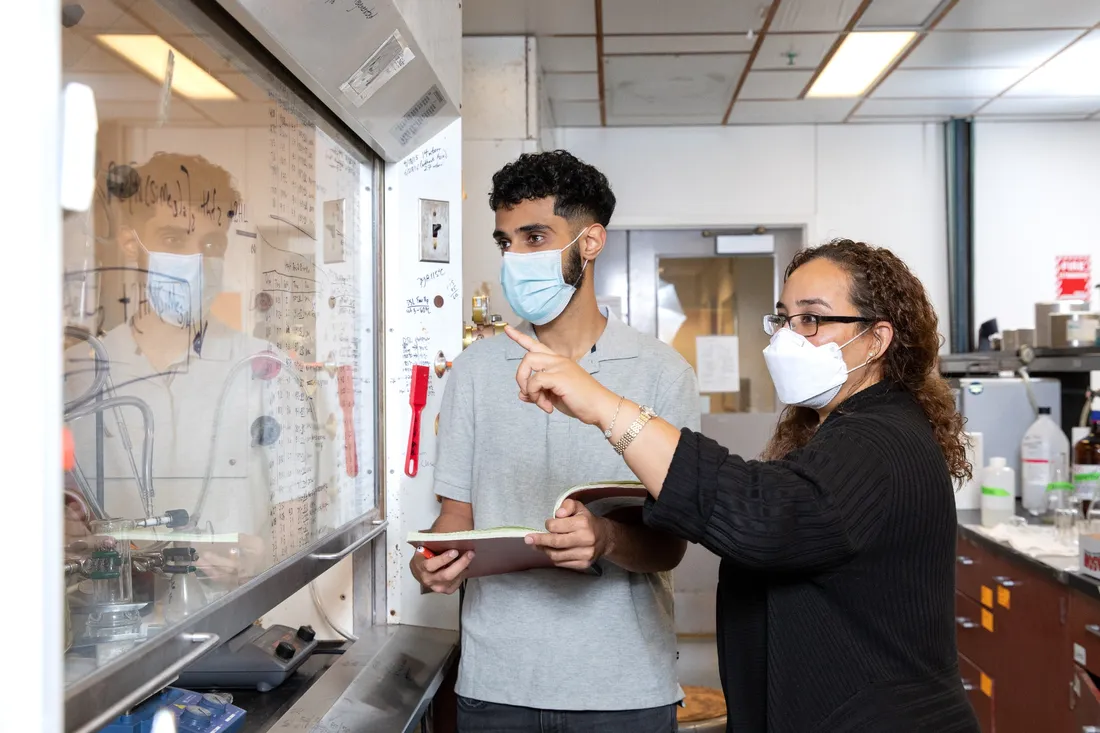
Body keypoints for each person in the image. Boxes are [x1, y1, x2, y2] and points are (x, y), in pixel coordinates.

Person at [505, 239, 981, 733]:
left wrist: (605, 408)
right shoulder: (843, 430)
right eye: (783, 319)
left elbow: (762, 515)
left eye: (812, 320)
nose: (788, 338)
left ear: (877, 339)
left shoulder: (879, 439)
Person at [410, 150, 701, 732]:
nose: (515, 258)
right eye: (505, 241)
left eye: (535, 237)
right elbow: (455, 517)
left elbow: (671, 546)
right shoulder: (474, 371)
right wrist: (435, 562)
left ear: (589, 242)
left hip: (624, 688)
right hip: (497, 685)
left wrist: (606, 539)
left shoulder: (661, 373)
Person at [63, 153, 322, 583]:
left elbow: (298, 517)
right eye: (172, 238)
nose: (195, 261)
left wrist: (264, 558)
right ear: (131, 245)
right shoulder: (81, 372)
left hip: (230, 619)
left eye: (210, 245)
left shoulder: (264, 369)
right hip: (110, 625)